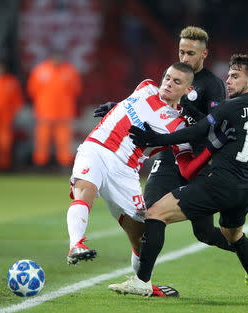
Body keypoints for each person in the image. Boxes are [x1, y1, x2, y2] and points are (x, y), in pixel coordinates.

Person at [94, 26, 248, 280]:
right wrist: (117, 106)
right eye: (182, 51)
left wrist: (187, 113)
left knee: (204, 233)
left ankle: (247, 250)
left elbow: (213, 126)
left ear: (204, 53)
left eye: (191, 53)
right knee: (148, 213)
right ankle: (142, 280)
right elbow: (154, 104)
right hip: (169, 157)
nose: (184, 58)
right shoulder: (175, 75)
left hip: (198, 163)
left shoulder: (213, 85)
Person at [66, 62, 235, 296]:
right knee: (85, 189)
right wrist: (113, 107)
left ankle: (143, 284)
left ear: (188, 91)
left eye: (177, 82)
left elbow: (186, 169)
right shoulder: (146, 86)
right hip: (97, 147)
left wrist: (212, 150)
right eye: (167, 77)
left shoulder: (179, 127)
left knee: (142, 237)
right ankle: (76, 245)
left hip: (125, 171)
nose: (168, 83)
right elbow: (130, 108)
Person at [27, 50, 81, 168]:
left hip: (64, 113)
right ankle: (40, 164)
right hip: (45, 112)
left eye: (59, 56)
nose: (57, 59)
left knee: (64, 141)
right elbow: (32, 90)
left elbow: (76, 89)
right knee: (42, 141)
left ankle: (64, 164)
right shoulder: (40, 70)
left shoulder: (69, 71)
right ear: (50, 57)